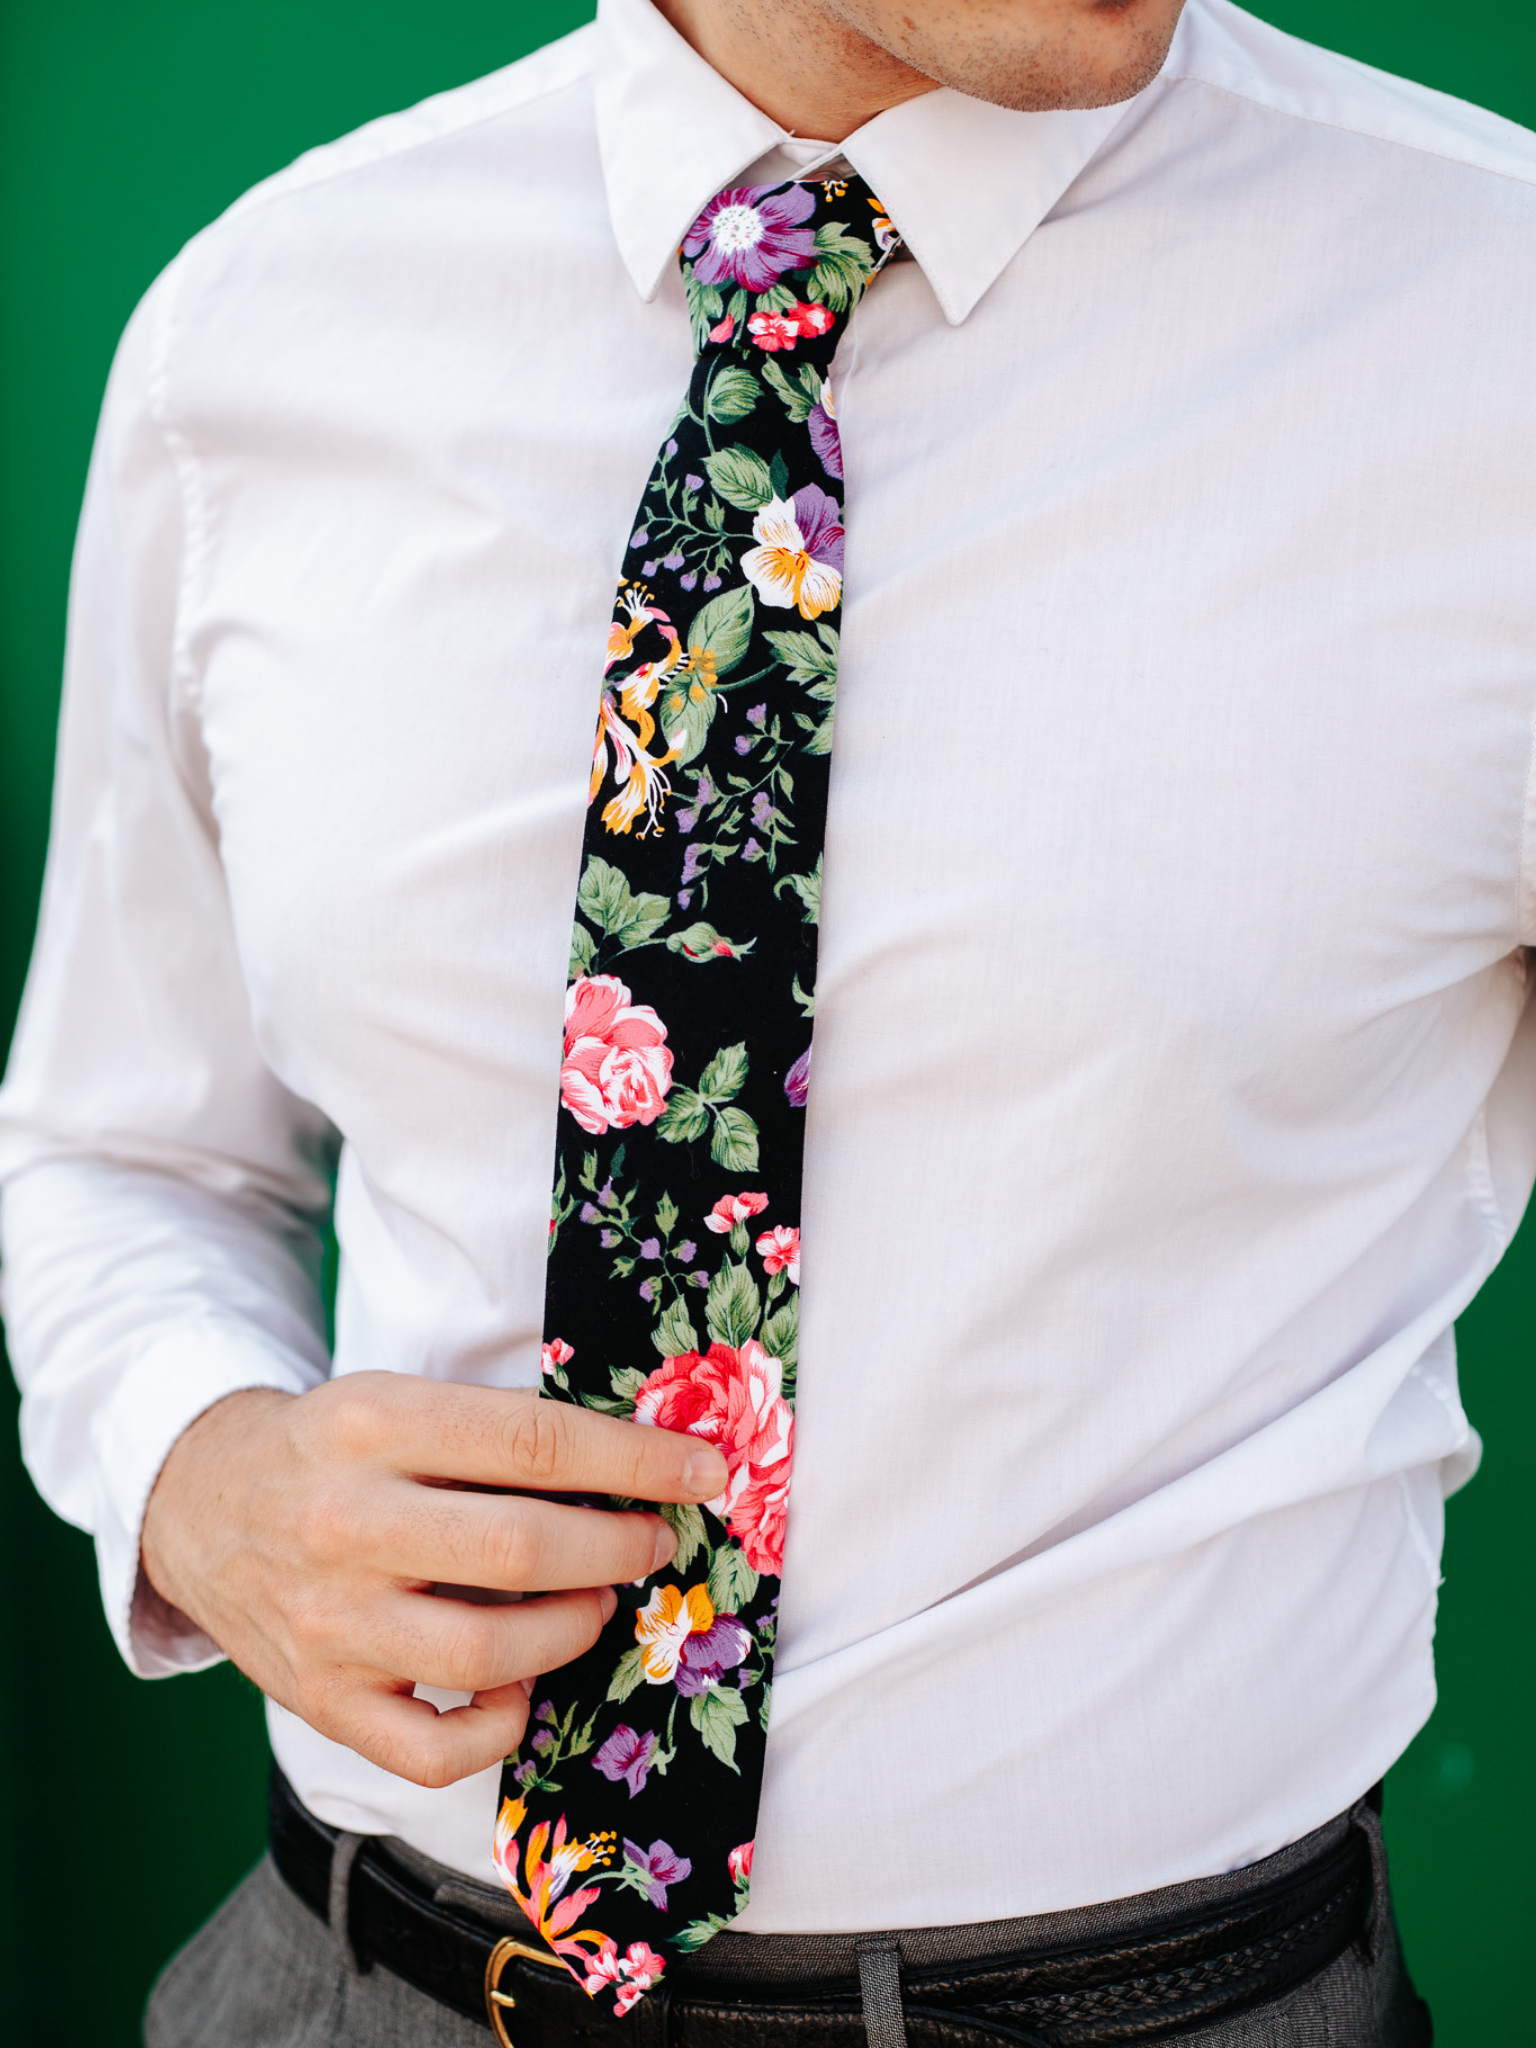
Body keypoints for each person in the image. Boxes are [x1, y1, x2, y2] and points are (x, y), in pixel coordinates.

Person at [5, 0, 1533, 2036]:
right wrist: (191, 1465)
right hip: (356, 1975)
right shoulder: (259, 337)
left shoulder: (1487, 323)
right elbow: (120, 1145)